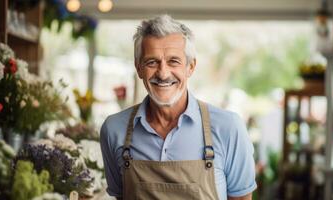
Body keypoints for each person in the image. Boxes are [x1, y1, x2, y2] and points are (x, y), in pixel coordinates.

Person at [100, 15, 257, 200]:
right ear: (138, 68)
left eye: (173, 61)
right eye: (152, 62)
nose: (163, 73)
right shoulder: (114, 129)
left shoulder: (228, 128)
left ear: (190, 67)